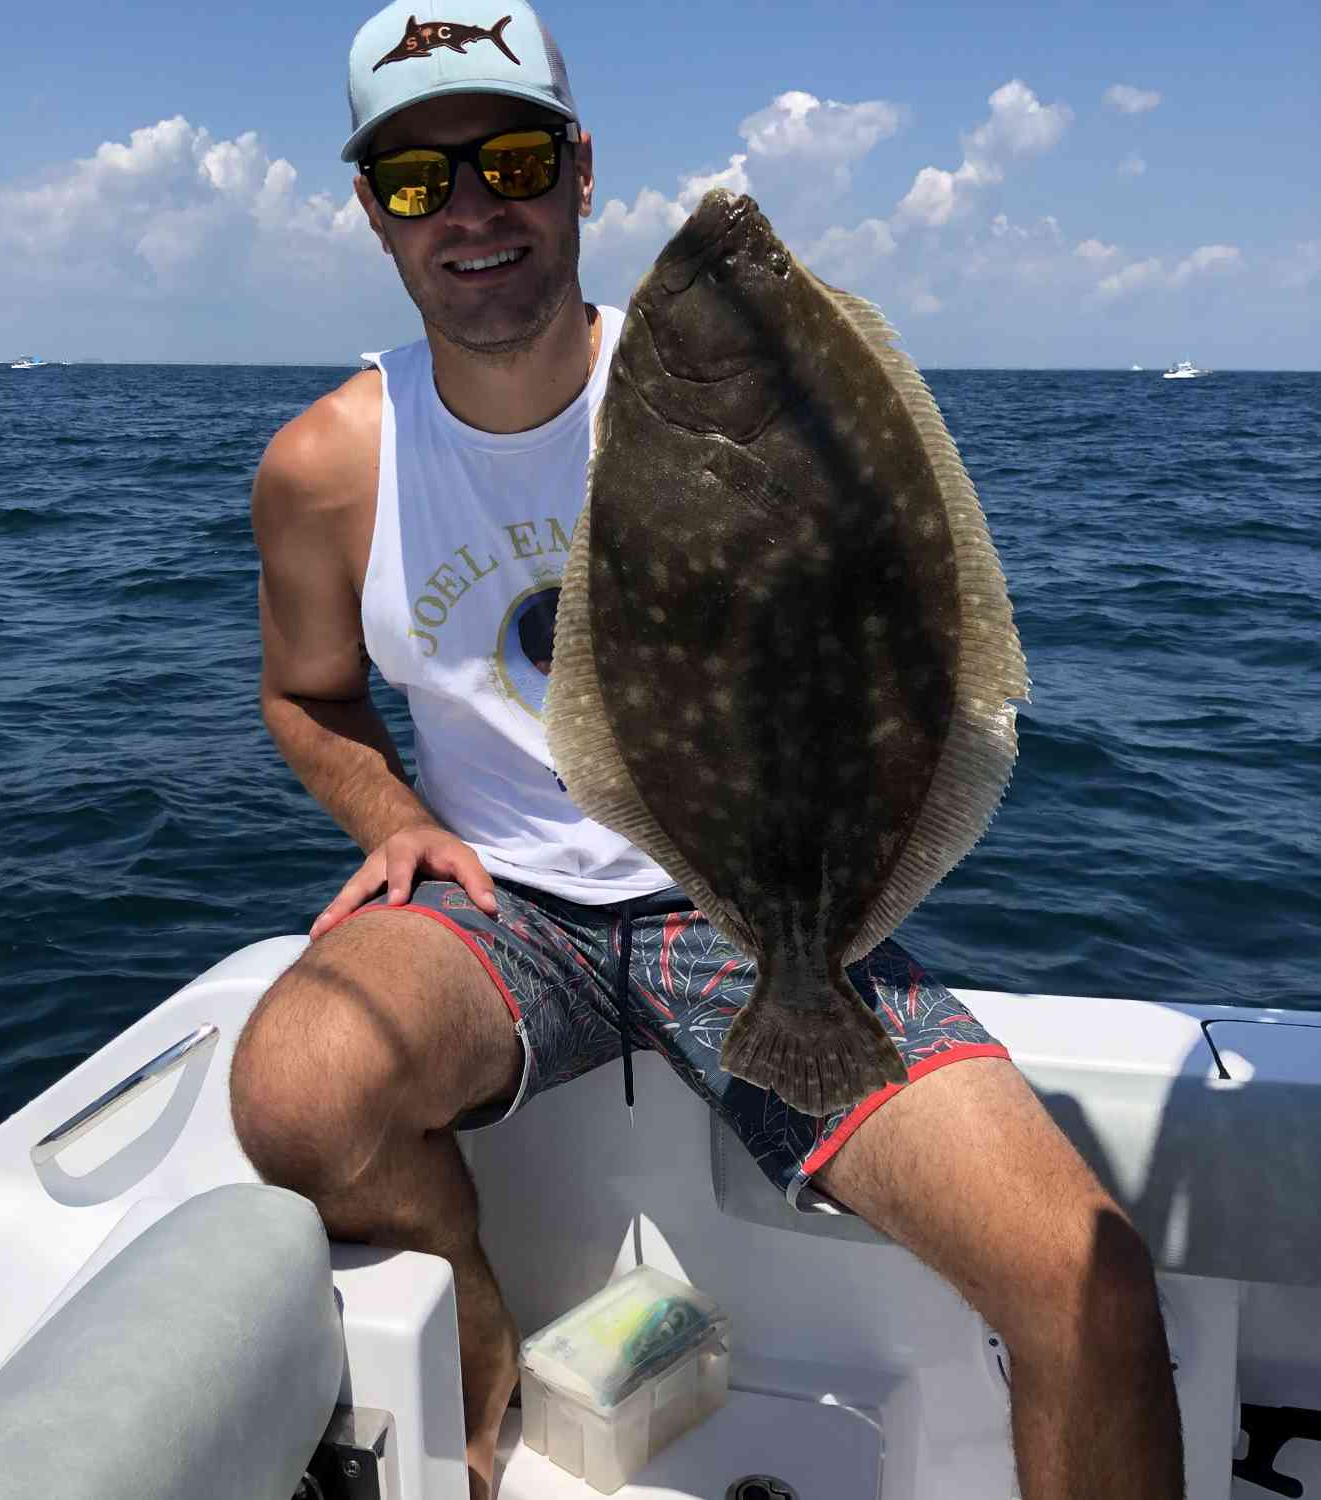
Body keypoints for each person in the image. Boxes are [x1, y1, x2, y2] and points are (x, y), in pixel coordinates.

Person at [228, 4, 1185, 1496]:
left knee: (1092, 1284)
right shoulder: (326, 467)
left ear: (582, 172)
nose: (472, 209)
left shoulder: (747, 403)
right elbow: (309, 695)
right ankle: (470, 1300)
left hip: (749, 909)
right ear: (373, 212)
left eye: (515, 160)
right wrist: (389, 818)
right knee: (293, 1090)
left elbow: (914, 624)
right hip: (505, 914)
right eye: (420, 181)